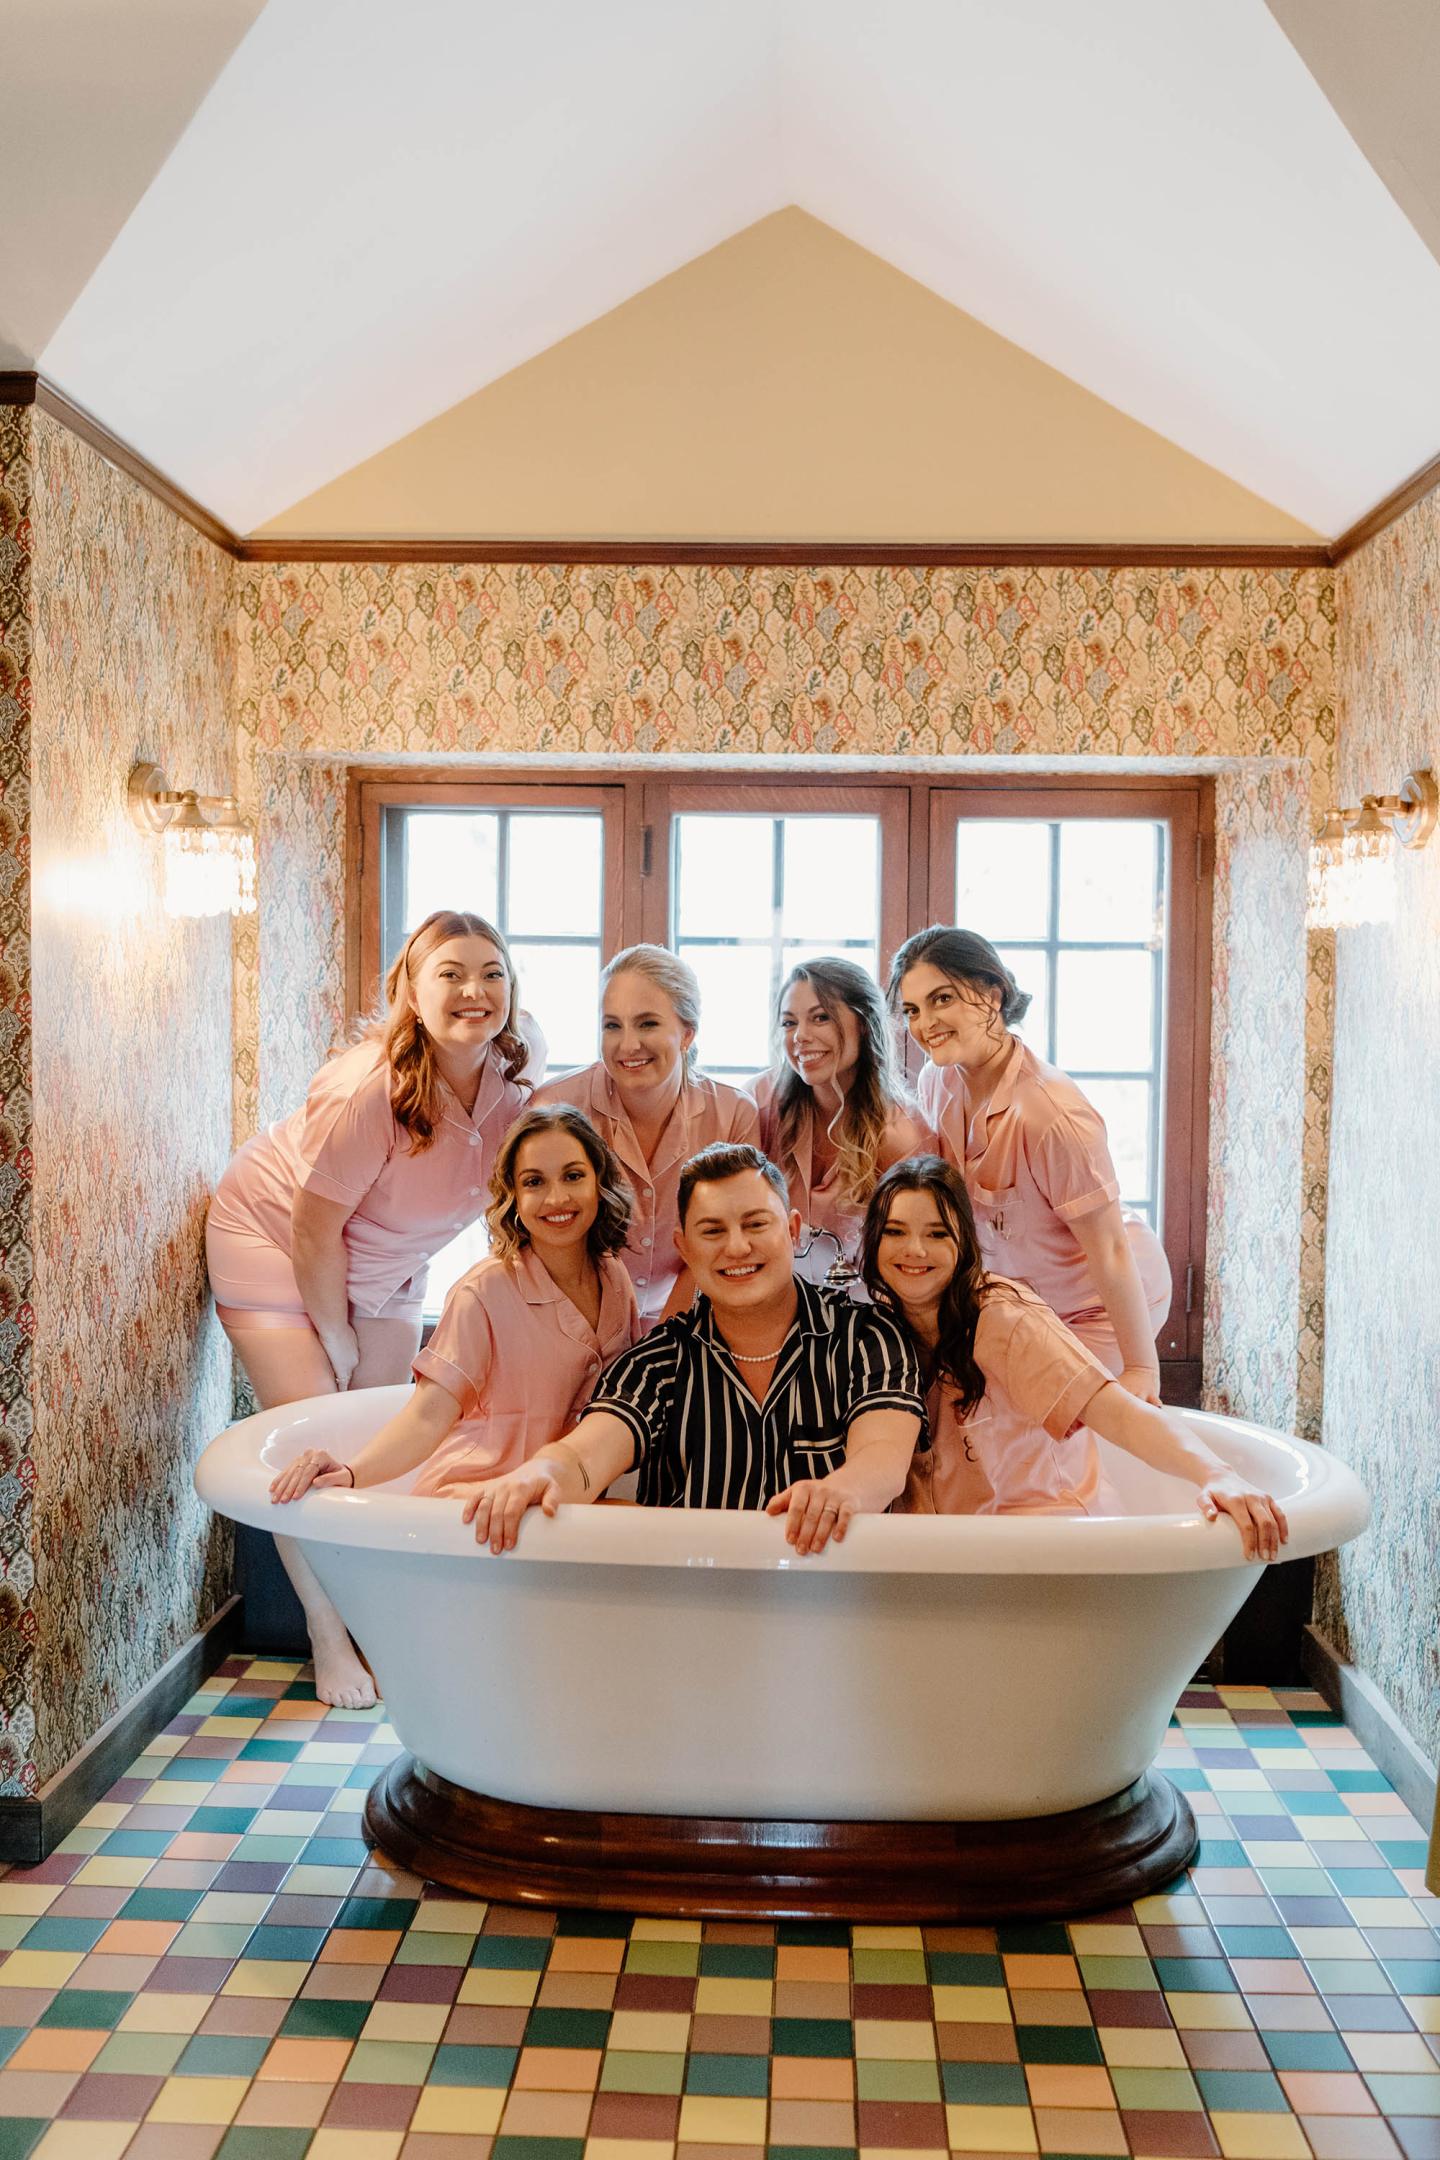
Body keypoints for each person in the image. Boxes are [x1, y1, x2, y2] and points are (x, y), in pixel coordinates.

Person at [206, 908, 541, 1705]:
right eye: (450, 974)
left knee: (391, 1438)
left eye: (491, 973)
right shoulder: (373, 1089)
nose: (474, 990)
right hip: (279, 1244)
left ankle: (383, 1624)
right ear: (411, 994)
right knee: (314, 1436)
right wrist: (335, 1337)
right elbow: (313, 1228)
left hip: (392, 1257)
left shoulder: (516, 1070)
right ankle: (328, 1634)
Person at [459, 1141, 926, 1556]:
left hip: (834, 1598)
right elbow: (585, 1455)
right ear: (683, 1246)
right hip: (689, 1605)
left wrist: (841, 1490)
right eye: (712, 1231)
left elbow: (884, 1456)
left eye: (755, 1223)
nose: (737, 1247)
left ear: (792, 1230)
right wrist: (541, 1473)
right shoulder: (658, 1360)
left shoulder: (866, 1333)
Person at [860, 1157, 1286, 1559]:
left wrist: (1216, 1474)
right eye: (895, 1232)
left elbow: (1119, 1414)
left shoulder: (1004, 1319)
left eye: (936, 1234)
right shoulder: (874, 1330)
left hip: (1051, 1543)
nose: (914, 1250)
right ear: (873, 1240)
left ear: (965, 1243)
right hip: (947, 1550)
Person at [268, 1106, 639, 1505]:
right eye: (534, 1182)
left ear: (599, 1181)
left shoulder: (614, 1277)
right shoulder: (484, 1292)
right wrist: (351, 1473)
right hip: (477, 1499)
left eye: (573, 1176)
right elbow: (427, 1416)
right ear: (513, 1197)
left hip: (557, 1498)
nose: (557, 1197)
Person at [891, 926, 1171, 1403]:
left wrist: (1142, 1369)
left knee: (1045, 1429)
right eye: (913, 1010)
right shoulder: (939, 1081)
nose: (925, 1023)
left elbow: (1111, 1250)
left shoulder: (1051, 1115)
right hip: (1027, 1300)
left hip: (1101, 1304)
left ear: (992, 994)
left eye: (942, 999)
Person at [534, 946, 758, 1324]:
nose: (629, 1045)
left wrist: (665, 1344)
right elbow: (537, 1236)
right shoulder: (555, 1107)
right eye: (612, 1026)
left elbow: (722, 1241)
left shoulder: (734, 1114)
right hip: (570, 1314)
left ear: (687, 1033)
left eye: (648, 1024)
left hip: (687, 1316)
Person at [751, 958, 932, 1292]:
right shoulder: (760, 1103)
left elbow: (918, 1257)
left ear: (863, 1024)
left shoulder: (901, 1133)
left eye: (820, 1018)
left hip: (864, 1313)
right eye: (789, 1023)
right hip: (770, 1299)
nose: (800, 1037)